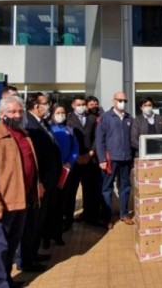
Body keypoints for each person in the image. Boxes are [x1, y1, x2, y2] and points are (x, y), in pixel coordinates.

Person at [0, 95, 40, 288]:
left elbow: (31, 165)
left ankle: (6, 280)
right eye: (12, 112)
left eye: (20, 111)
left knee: (11, 244)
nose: (17, 115)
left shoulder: (24, 134)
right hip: (2, 203)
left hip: (21, 199)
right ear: (2, 114)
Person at [16, 92, 60, 272]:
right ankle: (26, 260)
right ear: (35, 105)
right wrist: (38, 182)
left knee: (38, 222)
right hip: (38, 183)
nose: (48, 106)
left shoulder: (43, 123)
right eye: (45, 103)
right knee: (31, 224)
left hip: (48, 182)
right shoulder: (29, 125)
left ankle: (33, 254)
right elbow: (33, 158)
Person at [95, 92, 134, 229]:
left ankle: (124, 214)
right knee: (107, 188)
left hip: (126, 158)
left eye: (124, 100)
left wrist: (133, 157)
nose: (122, 102)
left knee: (125, 187)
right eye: (120, 100)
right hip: (110, 159)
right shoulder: (105, 118)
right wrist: (101, 159)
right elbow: (99, 140)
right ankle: (107, 217)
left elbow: (132, 139)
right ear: (113, 101)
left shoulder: (129, 118)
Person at [63, 95, 101, 229]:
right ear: (73, 105)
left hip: (90, 160)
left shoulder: (92, 119)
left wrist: (91, 153)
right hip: (74, 160)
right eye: (78, 104)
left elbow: (97, 137)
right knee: (71, 191)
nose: (81, 107)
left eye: (83, 104)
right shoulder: (68, 119)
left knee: (90, 190)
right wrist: (76, 156)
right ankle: (67, 220)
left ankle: (90, 217)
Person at [46, 105, 78, 247]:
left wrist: (70, 162)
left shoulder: (69, 130)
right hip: (51, 171)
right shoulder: (48, 129)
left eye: (63, 112)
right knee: (49, 206)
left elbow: (75, 149)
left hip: (66, 172)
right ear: (52, 114)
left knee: (61, 204)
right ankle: (46, 236)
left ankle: (57, 235)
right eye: (58, 113)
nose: (61, 115)